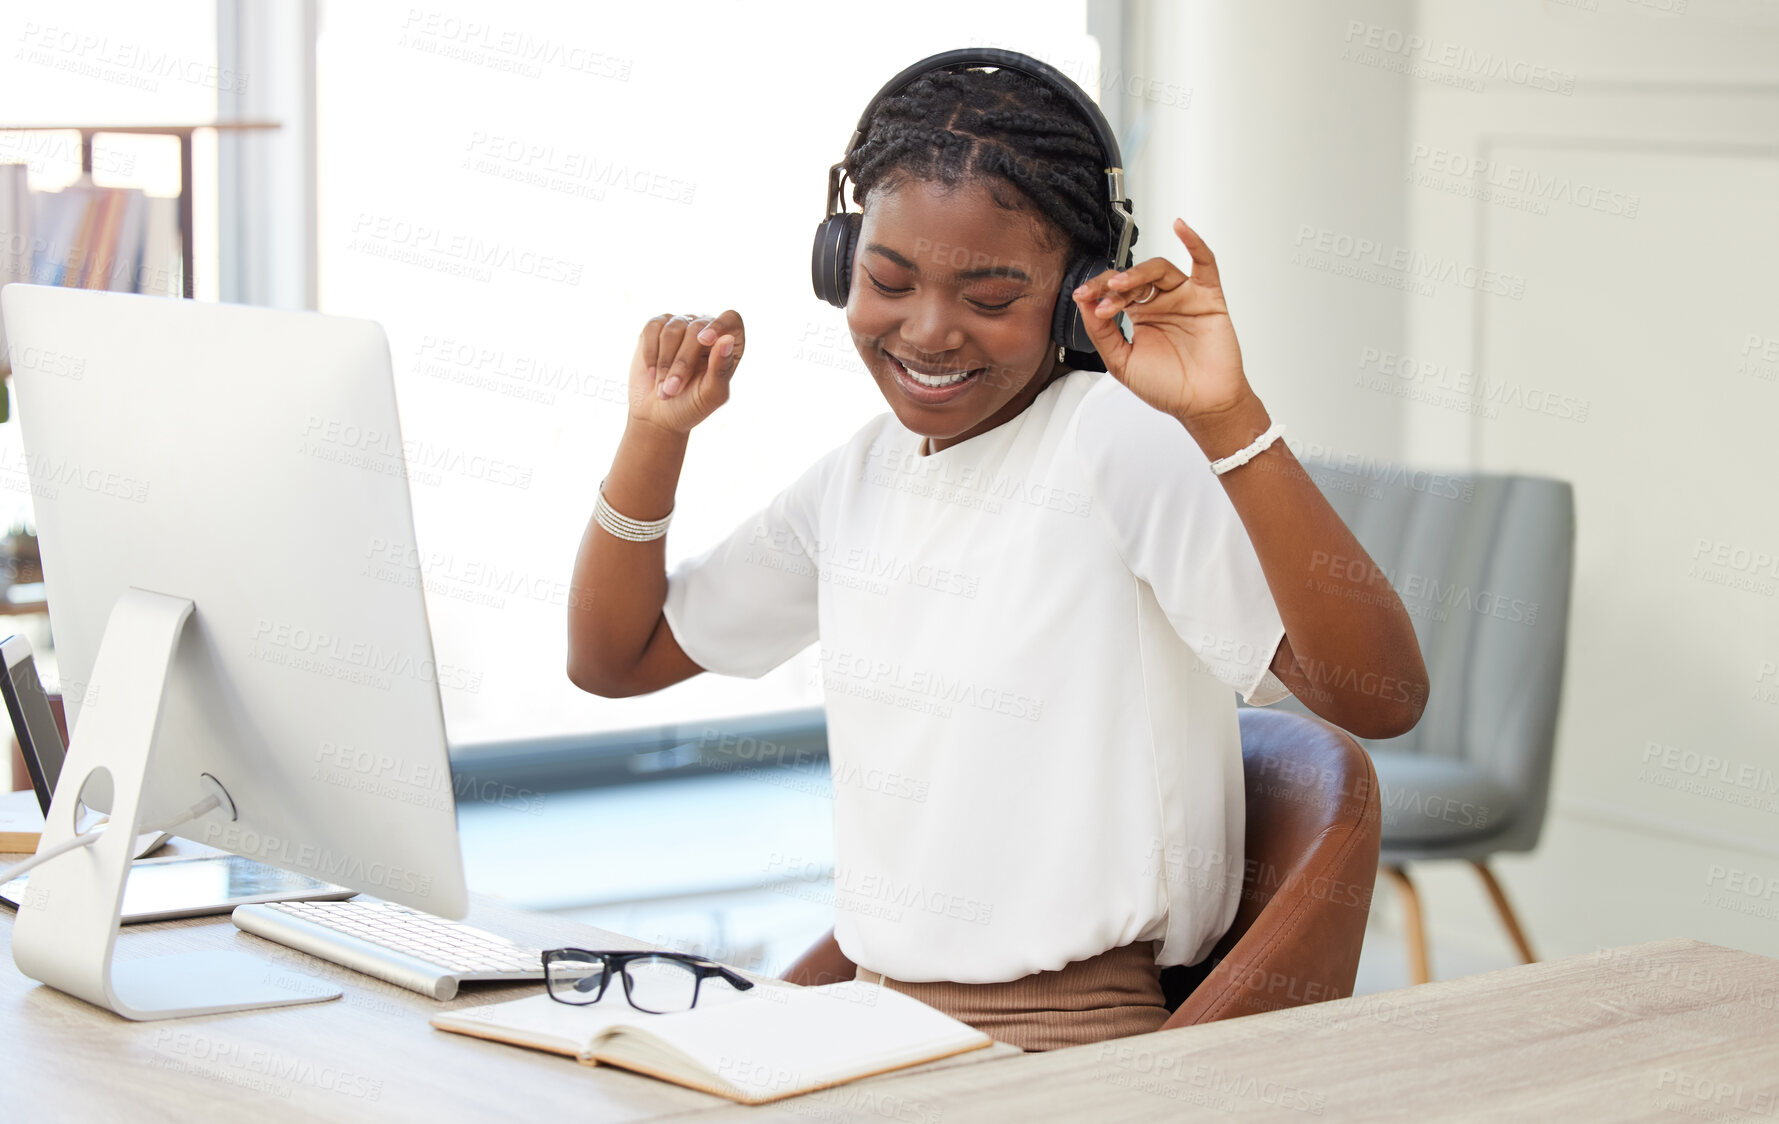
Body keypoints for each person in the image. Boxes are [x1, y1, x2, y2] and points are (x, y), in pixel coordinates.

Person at [566, 55, 1428, 1052]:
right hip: (871, 1027)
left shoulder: (1112, 436)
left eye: (990, 296)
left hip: (1053, 1046)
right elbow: (613, 658)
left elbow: (1381, 694)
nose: (929, 330)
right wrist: (655, 434)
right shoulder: (863, 473)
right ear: (841, 261)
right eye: (888, 280)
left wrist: (1228, 417)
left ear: (1077, 295)